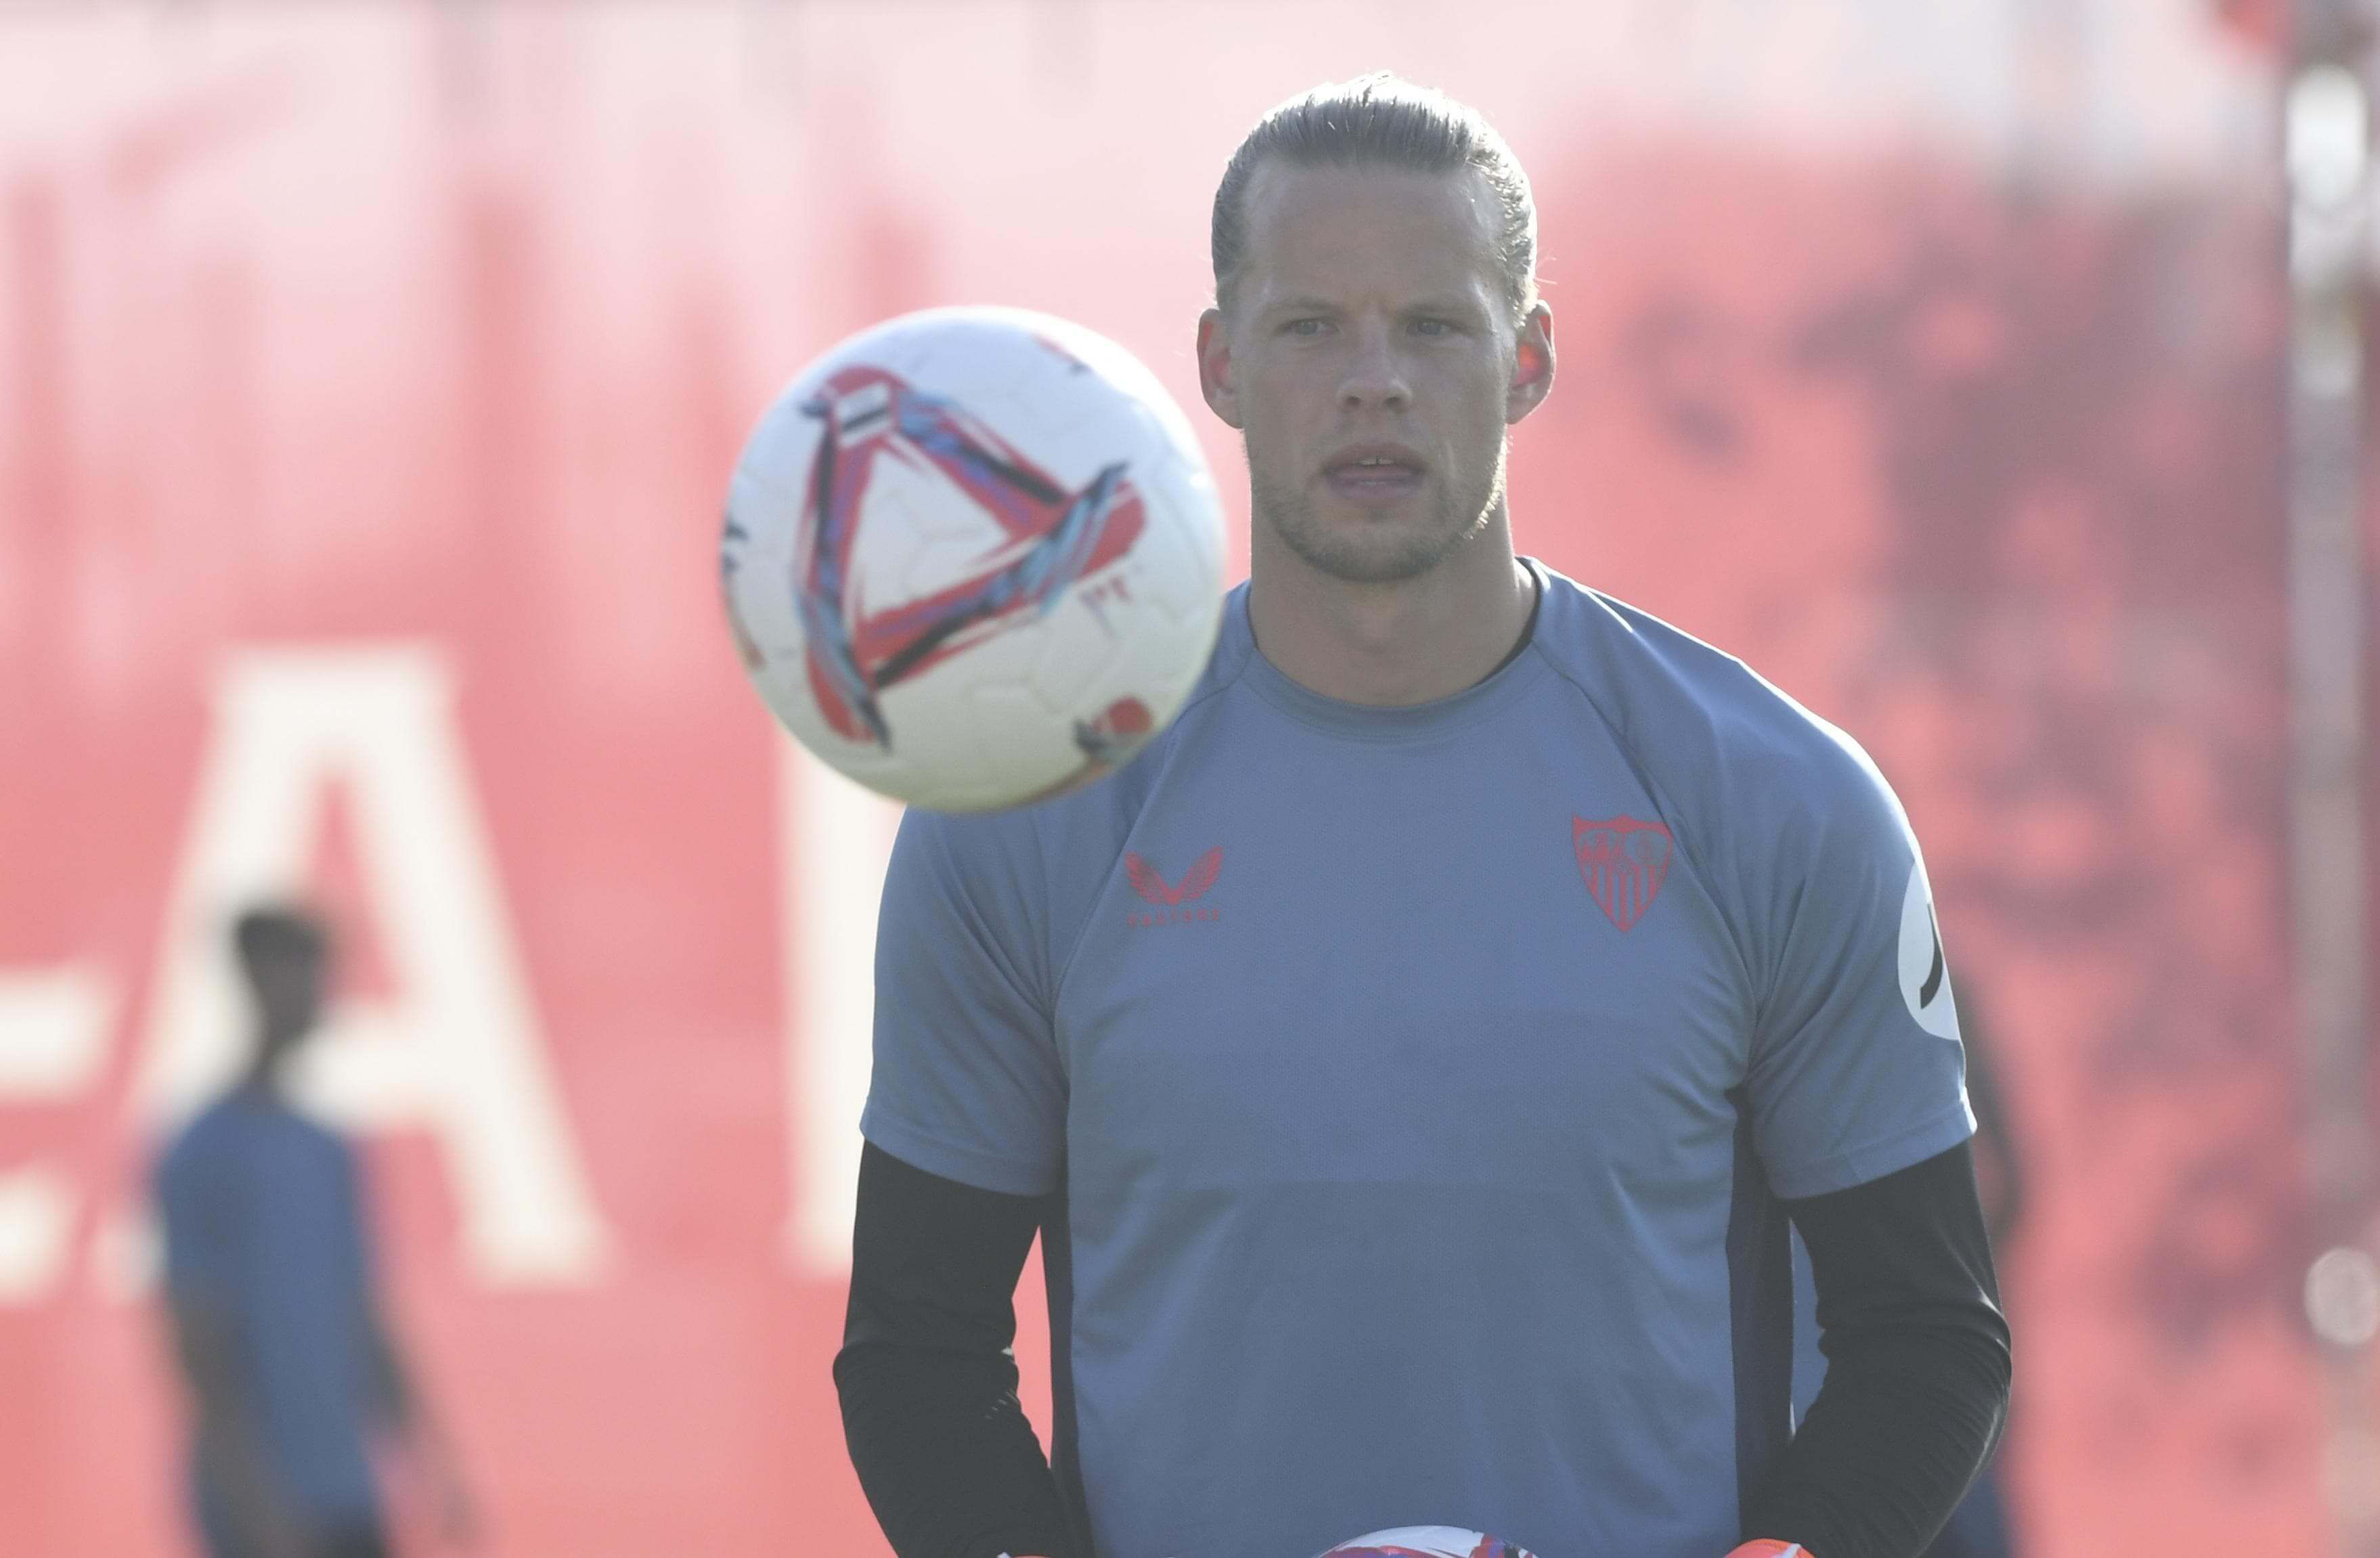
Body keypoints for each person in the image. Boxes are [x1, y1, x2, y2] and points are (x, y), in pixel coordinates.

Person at [835, 74, 2011, 1558]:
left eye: (1435, 326)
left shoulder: (1774, 799)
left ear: (1525, 359)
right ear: (1218, 362)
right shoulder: (1032, 813)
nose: (1373, 380)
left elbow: (1925, 1338)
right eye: (1311, 324)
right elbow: (919, 1352)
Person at [154, 906, 474, 1558]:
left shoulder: (327, 1151)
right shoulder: (201, 1151)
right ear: (257, 978)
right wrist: (255, 1506)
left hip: (346, 1496)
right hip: (261, 1513)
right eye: (303, 973)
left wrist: (433, 1458)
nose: (319, 995)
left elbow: (364, 1320)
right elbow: (200, 1345)